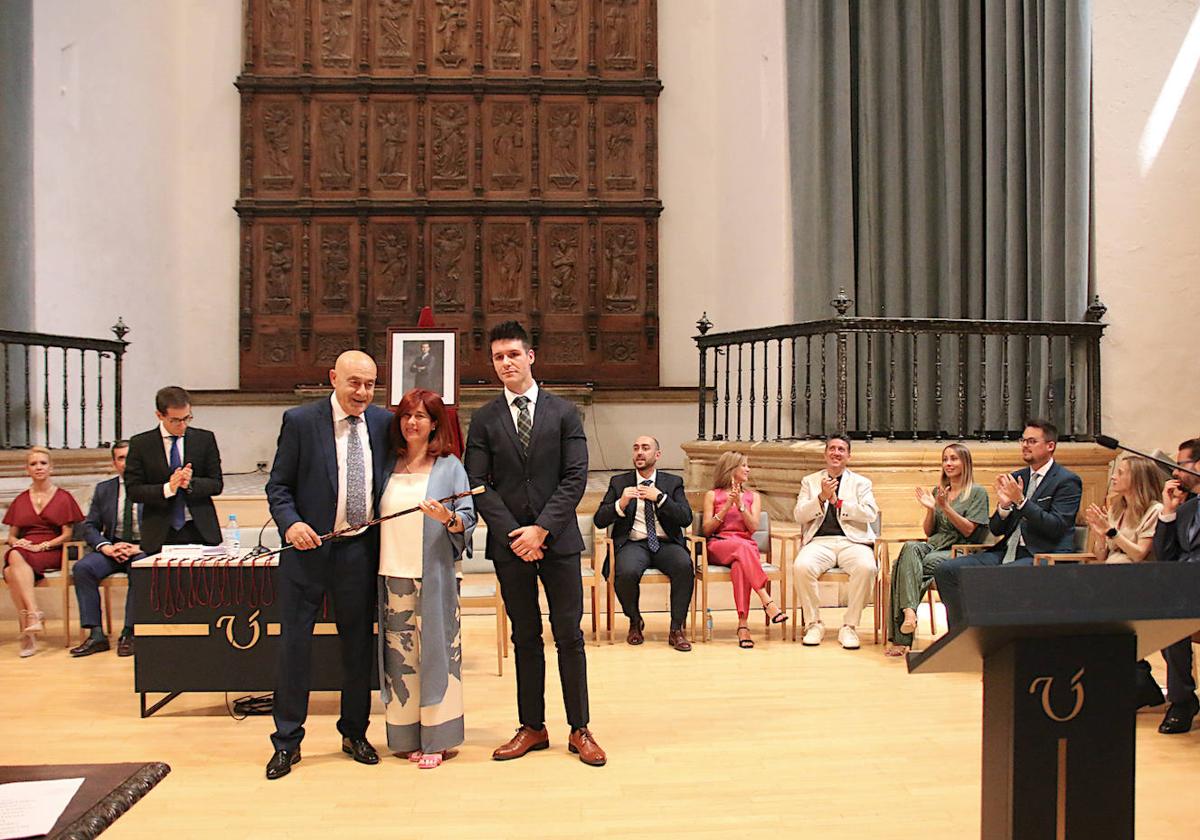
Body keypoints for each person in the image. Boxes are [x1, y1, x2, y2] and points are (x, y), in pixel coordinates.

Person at [464, 320, 606, 767]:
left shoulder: (563, 413)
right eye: (498, 357)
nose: (506, 362)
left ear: (530, 356)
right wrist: (516, 533)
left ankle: (579, 728)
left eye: (513, 354)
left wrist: (541, 529)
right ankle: (532, 727)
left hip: (557, 541)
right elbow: (476, 483)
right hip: (510, 546)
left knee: (569, 635)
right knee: (525, 636)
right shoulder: (485, 418)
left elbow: (575, 477)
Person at [264, 350, 393, 779]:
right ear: (333, 377)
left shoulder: (383, 423)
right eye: (355, 382)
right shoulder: (301, 422)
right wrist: (291, 524)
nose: (363, 392)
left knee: (357, 648)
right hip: (307, 551)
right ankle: (287, 741)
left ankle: (354, 732)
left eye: (370, 384)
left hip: (358, 551)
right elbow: (279, 486)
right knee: (295, 647)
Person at [377, 388, 476, 769]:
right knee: (399, 660)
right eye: (406, 415)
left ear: (435, 423)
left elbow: (467, 516)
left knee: (438, 655)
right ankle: (404, 736)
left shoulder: (449, 466)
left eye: (420, 416)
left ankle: (439, 738)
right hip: (391, 573)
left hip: (433, 574)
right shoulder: (388, 462)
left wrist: (446, 518)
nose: (411, 422)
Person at [933, 420, 1082, 629]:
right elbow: (996, 529)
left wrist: (1021, 501)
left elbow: (1056, 526)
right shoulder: (1018, 477)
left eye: (1032, 441)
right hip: (1007, 551)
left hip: (1042, 554)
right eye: (1023, 440)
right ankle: (961, 634)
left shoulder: (1067, 481)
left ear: (1050, 446)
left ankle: (996, 636)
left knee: (999, 577)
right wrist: (1003, 507)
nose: (1025, 445)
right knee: (946, 570)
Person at [886, 443, 989, 656]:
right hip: (935, 545)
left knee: (901, 567)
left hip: (959, 550)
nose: (948, 463)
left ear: (965, 462)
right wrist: (931, 509)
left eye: (953, 459)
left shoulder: (977, 492)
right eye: (945, 459)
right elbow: (929, 531)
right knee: (909, 548)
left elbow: (969, 530)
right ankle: (910, 612)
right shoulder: (940, 491)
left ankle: (901, 639)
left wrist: (945, 507)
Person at [593, 435, 694, 652]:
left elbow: (686, 518)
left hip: (666, 543)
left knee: (684, 565)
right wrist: (620, 503)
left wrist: (661, 498)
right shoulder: (619, 482)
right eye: (636, 448)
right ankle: (634, 620)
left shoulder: (672, 482)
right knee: (625, 571)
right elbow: (599, 520)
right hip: (633, 543)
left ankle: (676, 629)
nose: (640, 452)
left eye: (645, 448)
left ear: (657, 455)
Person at [1083, 452, 1166, 709]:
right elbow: (1101, 555)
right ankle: (1133, 684)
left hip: (1141, 582)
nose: (1114, 477)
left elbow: (1139, 554)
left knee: (1108, 622)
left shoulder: (1154, 510)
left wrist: (1111, 532)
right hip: (1114, 578)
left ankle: (1137, 684)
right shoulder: (1118, 508)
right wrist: (1099, 535)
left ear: (1137, 478)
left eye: (1121, 473)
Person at [792, 435, 879, 649]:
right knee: (801, 566)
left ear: (848, 456)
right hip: (819, 541)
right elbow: (799, 515)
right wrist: (821, 497)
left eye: (841, 449)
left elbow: (870, 514)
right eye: (832, 448)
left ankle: (849, 626)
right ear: (825, 454)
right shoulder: (810, 481)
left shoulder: (861, 483)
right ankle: (813, 624)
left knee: (867, 567)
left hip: (853, 541)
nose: (836, 453)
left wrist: (838, 502)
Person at [2, 446, 84, 658]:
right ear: (27, 469)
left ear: (51, 468)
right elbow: (11, 536)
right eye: (33, 464)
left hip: (53, 550)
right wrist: (21, 542)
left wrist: (44, 545)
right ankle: (32, 622)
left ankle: (30, 620)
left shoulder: (63, 497)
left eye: (43, 463)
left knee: (13, 562)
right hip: (25, 551)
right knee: (11, 567)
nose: (38, 467)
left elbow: (67, 534)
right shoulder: (21, 499)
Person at [124, 386, 224, 556]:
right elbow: (134, 491)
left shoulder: (204, 439)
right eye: (175, 420)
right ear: (160, 415)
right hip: (159, 531)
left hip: (199, 527)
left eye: (187, 418)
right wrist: (168, 488)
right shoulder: (141, 444)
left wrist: (190, 483)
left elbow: (216, 484)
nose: (182, 425)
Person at [701, 451, 786, 649]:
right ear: (731, 469)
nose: (748, 469)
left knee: (740, 565)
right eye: (744, 465)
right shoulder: (712, 495)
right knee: (742, 548)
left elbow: (753, 527)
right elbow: (706, 530)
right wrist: (726, 506)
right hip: (719, 545)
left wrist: (740, 505)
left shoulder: (753, 497)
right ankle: (766, 599)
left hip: (745, 546)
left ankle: (743, 625)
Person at [70, 440, 145, 658]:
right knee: (83, 568)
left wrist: (138, 547)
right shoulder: (104, 489)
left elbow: (164, 526)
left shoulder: (152, 487)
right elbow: (90, 526)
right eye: (121, 458)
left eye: (130, 457)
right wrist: (106, 547)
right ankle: (96, 635)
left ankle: (130, 633)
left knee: (140, 569)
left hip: (141, 548)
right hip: (113, 546)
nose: (126, 463)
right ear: (114, 463)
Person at [1151, 437, 1200, 734]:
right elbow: (1165, 556)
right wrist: (1168, 511)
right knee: (1165, 617)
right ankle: (1182, 700)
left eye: (1180, 465)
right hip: (1187, 592)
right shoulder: (1186, 509)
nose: (1175, 472)